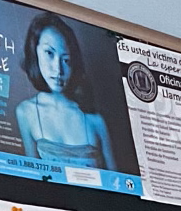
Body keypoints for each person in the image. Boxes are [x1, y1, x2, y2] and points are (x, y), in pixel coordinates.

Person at [15, 14, 119, 173]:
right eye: (49, 53)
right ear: (34, 51)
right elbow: (32, 180)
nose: (58, 69)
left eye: (66, 60)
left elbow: (116, 182)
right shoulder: (25, 112)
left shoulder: (95, 120)